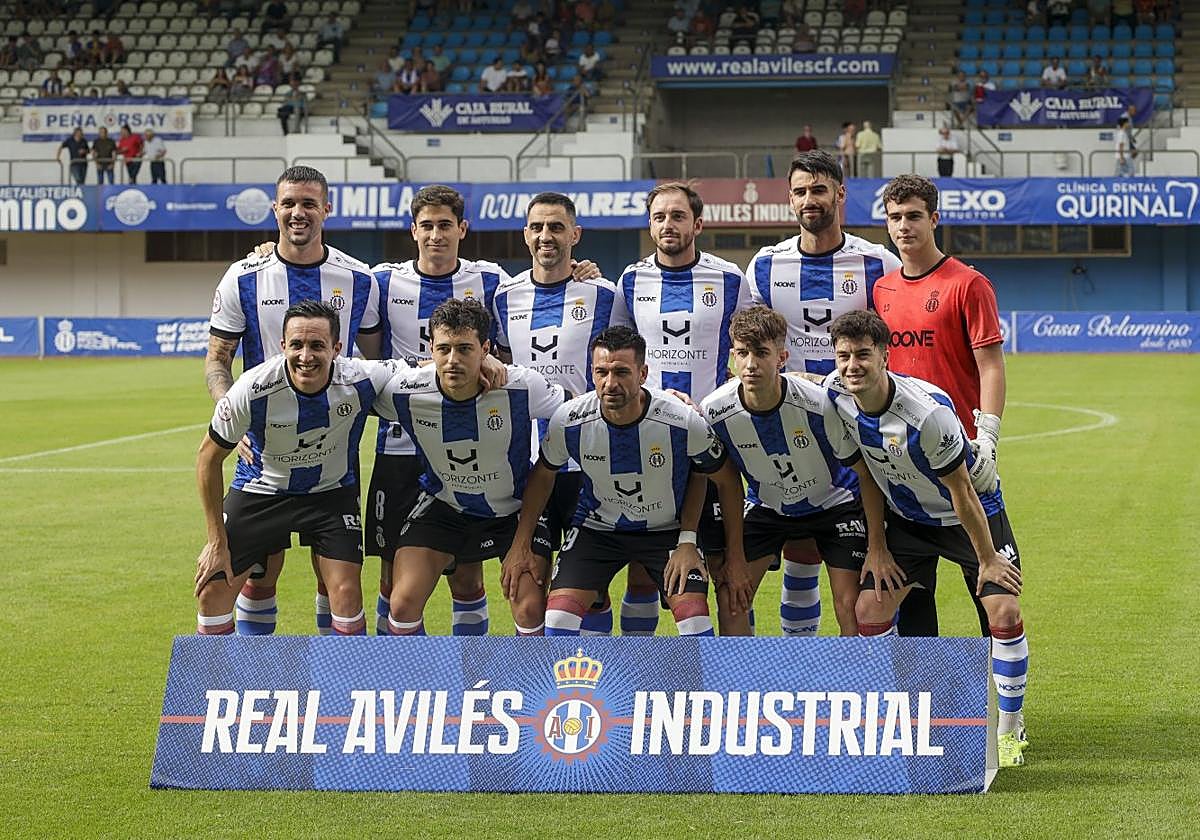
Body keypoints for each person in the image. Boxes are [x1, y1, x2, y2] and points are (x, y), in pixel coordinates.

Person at [824, 309, 1029, 768]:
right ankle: (895, 718)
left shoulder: (927, 415)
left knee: (1003, 609)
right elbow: (865, 475)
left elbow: (963, 493)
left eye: (863, 355)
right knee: (869, 609)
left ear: (885, 356)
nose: (852, 365)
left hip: (971, 514)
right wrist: (877, 547)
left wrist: (987, 559)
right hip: (908, 519)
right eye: (843, 356)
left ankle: (1009, 726)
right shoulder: (836, 398)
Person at [207, 166, 382, 635]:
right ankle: (254, 672)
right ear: (275, 209)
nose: (298, 212)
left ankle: (332, 674)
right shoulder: (243, 277)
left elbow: (375, 361)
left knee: (334, 581)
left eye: (308, 203)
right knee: (259, 577)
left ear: (327, 209)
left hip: (334, 454)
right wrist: (230, 412)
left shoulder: (359, 279)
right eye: (288, 203)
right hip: (262, 455)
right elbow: (217, 360)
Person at [501, 325, 752, 637]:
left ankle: (683, 674)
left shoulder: (681, 420)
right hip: (597, 530)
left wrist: (694, 543)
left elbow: (727, 481)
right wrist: (520, 543)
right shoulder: (569, 420)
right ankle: (582, 671)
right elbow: (542, 475)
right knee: (558, 619)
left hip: (666, 532)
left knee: (694, 621)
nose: (610, 383)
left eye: (621, 372)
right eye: (601, 372)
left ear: (643, 373)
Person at [746, 150, 901, 637]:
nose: (809, 199)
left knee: (857, 586)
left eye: (819, 189)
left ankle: (874, 670)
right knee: (798, 552)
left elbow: (894, 344)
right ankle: (802, 663)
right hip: (787, 428)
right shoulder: (766, 265)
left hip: (857, 431)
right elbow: (751, 340)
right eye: (800, 191)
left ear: (840, 193)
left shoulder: (878, 262)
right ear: (789, 199)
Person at [194, 300, 400, 639]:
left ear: (336, 348)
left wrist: (483, 361)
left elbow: (422, 369)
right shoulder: (252, 388)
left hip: (330, 494)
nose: (306, 356)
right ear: (283, 346)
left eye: (317, 345)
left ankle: (342, 673)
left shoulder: (360, 378)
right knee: (212, 591)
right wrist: (217, 541)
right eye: (297, 345)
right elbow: (207, 459)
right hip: (261, 491)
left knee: (346, 593)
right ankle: (227, 672)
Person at [365, 185, 510, 638]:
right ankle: (399, 669)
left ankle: (471, 668)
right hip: (399, 447)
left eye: (445, 225)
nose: (435, 235)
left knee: (467, 575)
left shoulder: (491, 281)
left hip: (466, 446)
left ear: (462, 228)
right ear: (413, 230)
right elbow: (371, 356)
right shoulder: (382, 282)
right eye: (426, 225)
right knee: (392, 576)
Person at [380, 298, 568, 637]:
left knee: (529, 609)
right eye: (444, 349)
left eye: (465, 349)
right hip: (444, 507)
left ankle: (532, 673)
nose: (453, 360)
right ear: (431, 349)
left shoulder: (521, 387)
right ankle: (423, 673)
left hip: (513, 511)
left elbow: (579, 411)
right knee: (402, 603)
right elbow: (345, 383)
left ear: (485, 349)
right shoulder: (404, 390)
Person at [871, 174, 1008, 637]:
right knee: (912, 597)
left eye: (913, 216)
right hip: (901, 455)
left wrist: (988, 436)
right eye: (895, 217)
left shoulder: (969, 284)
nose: (903, 226)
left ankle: (997, 685)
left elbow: (991, 365)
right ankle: (925, 685)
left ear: (934, 219)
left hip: (960, 452)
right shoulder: (882, 290)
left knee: (992, 592)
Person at [491, 192, 631, 635]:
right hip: (525, 464)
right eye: (537, 227)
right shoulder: (504, 297)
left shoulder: (605, 295)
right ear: (525, 235)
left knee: (591, 593)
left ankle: (592, 672)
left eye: (556, 227)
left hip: (586, 463)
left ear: (575, 234)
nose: (545, 236)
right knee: (526, 597)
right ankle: (538, 677)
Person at [615, 182, 752, 635]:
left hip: (714, 440)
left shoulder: (730, 279)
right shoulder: (631, 281)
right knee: (642, 571)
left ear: (698, 224)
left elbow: (748, 347)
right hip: (649, 437)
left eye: (677, 216)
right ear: (649, 225)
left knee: (727, 571)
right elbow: (618, 354)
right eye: (659, 217)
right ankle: (639, 668)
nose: (668, 225)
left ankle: (733, 670)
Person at [700, 306, 866, 636]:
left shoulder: (819, 404)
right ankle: (741, 671)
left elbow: (863, 470)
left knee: (852, 605)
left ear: (782, 357)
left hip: (835, 504)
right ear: (732, 357)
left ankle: (857, 670)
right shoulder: (714, 411)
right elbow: (725, 482)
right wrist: (734, 557)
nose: (751, 364)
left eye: (761, 353)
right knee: (731, 598)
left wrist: (878, 544)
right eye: (743, 353)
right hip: (767, 507)